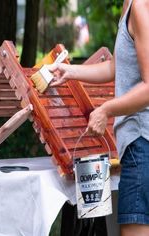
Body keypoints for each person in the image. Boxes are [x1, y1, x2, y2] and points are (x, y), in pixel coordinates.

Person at [46, 0, 149, 235]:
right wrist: (70, 71)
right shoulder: (132, 5)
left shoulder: (141, 7)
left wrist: (105, 110)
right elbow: (117, 68)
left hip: (142, 145)